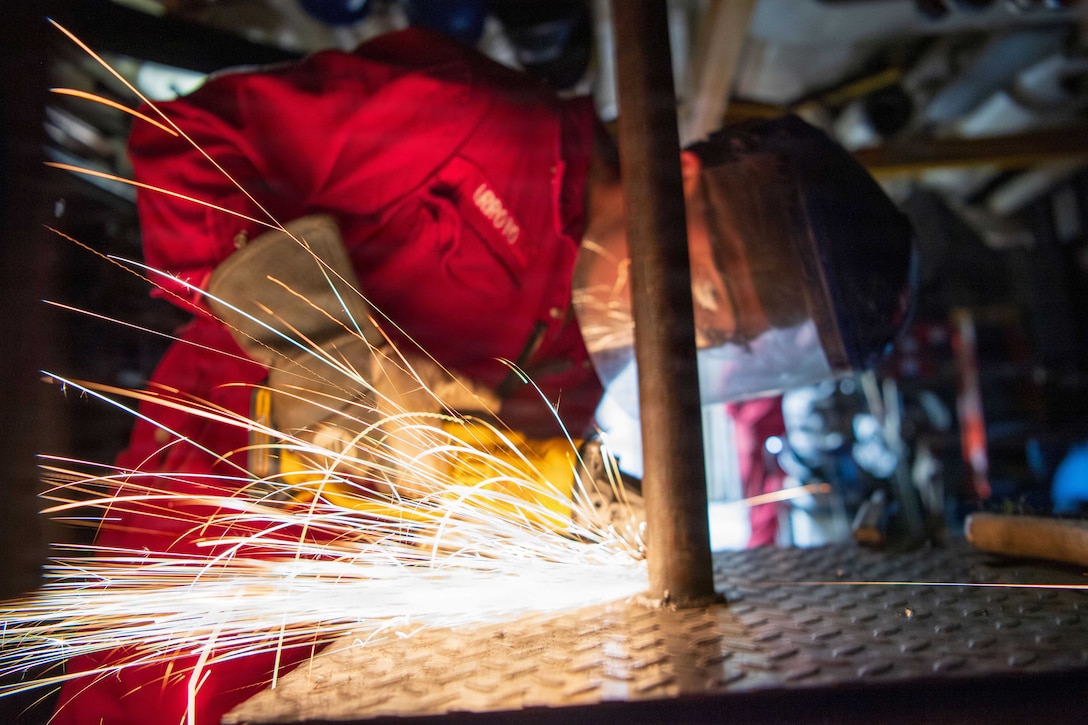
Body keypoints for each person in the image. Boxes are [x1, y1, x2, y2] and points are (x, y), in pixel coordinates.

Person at [53, 25, 914, 725]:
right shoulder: (473, 122)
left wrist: (584, 505)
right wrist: (325, 349)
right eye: (714, 294)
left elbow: (475, 494)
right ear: (683, 181)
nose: (699, 330)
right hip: (185, 556)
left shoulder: (583, 362)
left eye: (729, 332)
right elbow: (189, 144)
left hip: (320, 660)